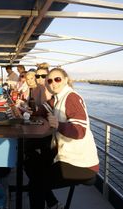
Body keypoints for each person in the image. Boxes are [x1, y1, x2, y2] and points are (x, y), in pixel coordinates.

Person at [25, 68, 99, 209]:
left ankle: (49, 201)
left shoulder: (71, 97)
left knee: (36, 185)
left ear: (65, 79)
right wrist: (31, 111)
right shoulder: (58, 97)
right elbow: (45, 108)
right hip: (65, 156)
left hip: (81, 163)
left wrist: (59, 125)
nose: (53, 83)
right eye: (50, 80)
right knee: (30, 163)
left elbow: (80, 131)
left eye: (57, 79)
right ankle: (53, 203)